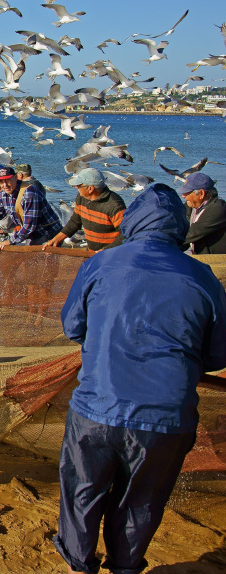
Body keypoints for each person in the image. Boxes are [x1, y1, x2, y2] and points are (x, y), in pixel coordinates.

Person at [55, 184, 226, 574]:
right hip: (166, 418)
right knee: (142, 501)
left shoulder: (100, 263)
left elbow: (72, 326)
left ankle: (78, 565)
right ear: (179, 225)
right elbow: (218, 355)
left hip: (97, 406)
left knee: (82, 493)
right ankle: (124, 567)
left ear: (133, 220)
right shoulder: (203, 278)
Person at [0, 166, 61, 250]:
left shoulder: (29, 193)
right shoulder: (2, 194)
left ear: (15, 177)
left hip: (49, 234)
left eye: (7, 180)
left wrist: (9, 241)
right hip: (32, 235)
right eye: (1, 181)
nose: (5, 185)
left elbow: (29, 226)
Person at [44, 168, 126, 252]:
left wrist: (104, 251)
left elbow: (126, 233)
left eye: (79, 185)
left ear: (90, 189)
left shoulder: (114, 205)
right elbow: (75, 222)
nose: (76, 187)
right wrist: (56, 239)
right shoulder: (81, 198)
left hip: (111, 255)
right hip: (91, 253)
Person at [179, 172, 226, 254]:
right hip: (200, 258)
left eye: (187, 192)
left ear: (201, 193)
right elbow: (177, 226)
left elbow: (191, 234)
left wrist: (162, 245)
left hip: (218, 261)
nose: (183, 195)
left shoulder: (218, 209)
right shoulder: (190, 205)